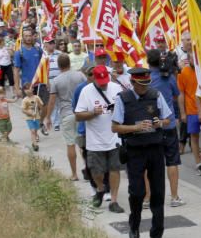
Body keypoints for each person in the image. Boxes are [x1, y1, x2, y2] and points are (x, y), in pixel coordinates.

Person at [111, 66, 175, 238]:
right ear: (132, 82)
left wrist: (160, 122)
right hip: (135, 150)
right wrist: (135, 128)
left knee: (158, 192)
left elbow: (169, 119)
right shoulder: (123, 99)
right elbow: (115, 127)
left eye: (147, 84)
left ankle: (156, 234)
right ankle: (134, 225)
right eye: (141, 85)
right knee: (137, 192)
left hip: (155, 148)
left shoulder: (155, 95)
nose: (145, 88)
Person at [76, 65, 125, 212]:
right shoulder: (86, 91)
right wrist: (92, 113)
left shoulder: (116, 88)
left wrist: (117, 109)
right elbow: (78, 115)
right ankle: (101, 188)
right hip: (95, 139)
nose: (103, 84)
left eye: (105, 81)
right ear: (94, 79)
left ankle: (114, 201)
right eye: (100, 82)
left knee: (115, 169)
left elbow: (126, 108)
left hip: (114, 137)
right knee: (96, 171)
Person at [148, 49, 185, 207]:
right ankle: (174, 197)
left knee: (150, 164)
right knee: (172, 162)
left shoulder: (145, 78)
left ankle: (148, 198)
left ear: (148, 62)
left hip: (151, 126)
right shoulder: (169, 78)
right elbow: (176, 95)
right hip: (168, 124)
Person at [48, 53, 86, 181]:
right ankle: (88, 171)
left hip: (66, 114)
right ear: (70, 63)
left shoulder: (56, 80)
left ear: (58, 66)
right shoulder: (80, 75)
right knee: (83, 144)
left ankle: (74, 174)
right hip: (81, 113)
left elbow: (52, 101)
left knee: (70, 144)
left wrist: (48, 117)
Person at [176, 52, 201, 174]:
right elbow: (181, 94)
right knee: (194, 136)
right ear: (188, 59)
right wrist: (183, 113)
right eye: (192, 58)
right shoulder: (183, 72)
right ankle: (198, 163)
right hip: (191, 110)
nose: (194, 60)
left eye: (196, 57)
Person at [21, 85, 45, 152]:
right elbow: (23, 110)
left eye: (29, 88)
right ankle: (35, 145)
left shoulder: (36, 97)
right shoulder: (25, 100)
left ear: (32, 89)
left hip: (37, 117)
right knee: (32, 131)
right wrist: (30, 113)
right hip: (29, 118)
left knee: (36, 129)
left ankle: (35, 138)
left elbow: (41, 107)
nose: (27, 90)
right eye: (25, 89)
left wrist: (38, 103)